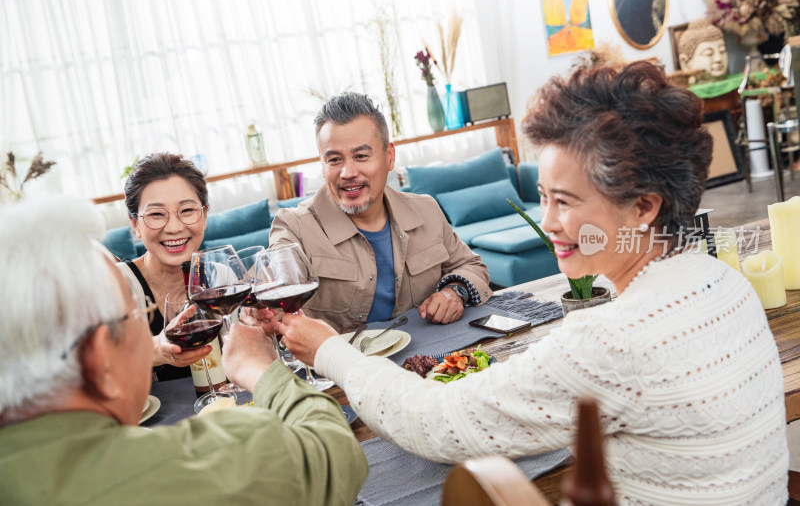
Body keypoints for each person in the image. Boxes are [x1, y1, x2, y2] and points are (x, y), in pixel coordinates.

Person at [273, 63, 789, 504]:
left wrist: (331, 352)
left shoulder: (612, 339)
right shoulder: (723, 279)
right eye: (542, 197)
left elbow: (434, 421)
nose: (548, 222)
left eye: (564, 201)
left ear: (643, 207)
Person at [0, 195, 367, 505]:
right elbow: (336, 453)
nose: (174, 226)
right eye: (135, 317)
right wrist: (263, 370)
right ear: (99, 358)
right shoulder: (185, 465)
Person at [268, 92, 491, 332]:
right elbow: (274, 290)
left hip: (430, 358)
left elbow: (473, 267)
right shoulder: (293, 227)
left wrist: (454, 292)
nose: (347, 172)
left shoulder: (426, 209)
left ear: (389, 157)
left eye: (361, 156)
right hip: (339, 366)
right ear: (322, 166)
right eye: (334, 160)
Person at [119, 152, 212, 380]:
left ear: (205, 214)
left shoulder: (221, 275)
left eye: (187, 210)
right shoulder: (116, 285)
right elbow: (89, 363)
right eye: (157, 214)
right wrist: (157, 349)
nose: (173, 228)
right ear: (135, 225)